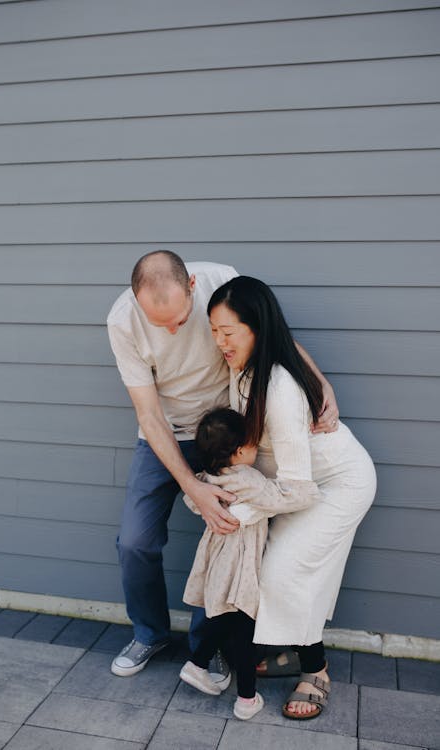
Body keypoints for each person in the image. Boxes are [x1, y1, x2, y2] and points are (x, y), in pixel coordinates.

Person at [106, 250, 340, 678]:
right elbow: (148, 413)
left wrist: (318, 381)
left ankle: (207, 646)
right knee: (135, 542)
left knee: (226, 537)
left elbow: (271, 335)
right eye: (160, 324)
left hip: (229, 430)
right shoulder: (122, 320)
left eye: (180, 319)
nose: (173, 330)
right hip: (164, 432)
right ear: (136, 300)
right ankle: (149, 633)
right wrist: (191, 485)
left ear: (193, 286)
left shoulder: (221, 280)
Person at [206, 276, 377, 720]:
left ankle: (316, 669)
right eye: (213, 332)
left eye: (228, 332)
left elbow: (301, 490)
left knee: (282, 573)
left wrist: (243, 508)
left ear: (256, 328)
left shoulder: (280, 388)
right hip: (291, 487)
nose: (219, 342)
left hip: (336, 484)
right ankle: (289, 655)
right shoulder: (242, 365)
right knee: (265, 567)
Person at [179, 407, 320, 720]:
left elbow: (191, 501)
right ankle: (245, 699)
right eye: (254, 444)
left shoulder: (209, 477)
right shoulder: (248, 478)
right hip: (241, 566)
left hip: (217, 560)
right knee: (244, 631)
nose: (258, 449)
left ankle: (198, 664)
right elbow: (277, 499)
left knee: (220, 618)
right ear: (241, 451)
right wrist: (310, 493)